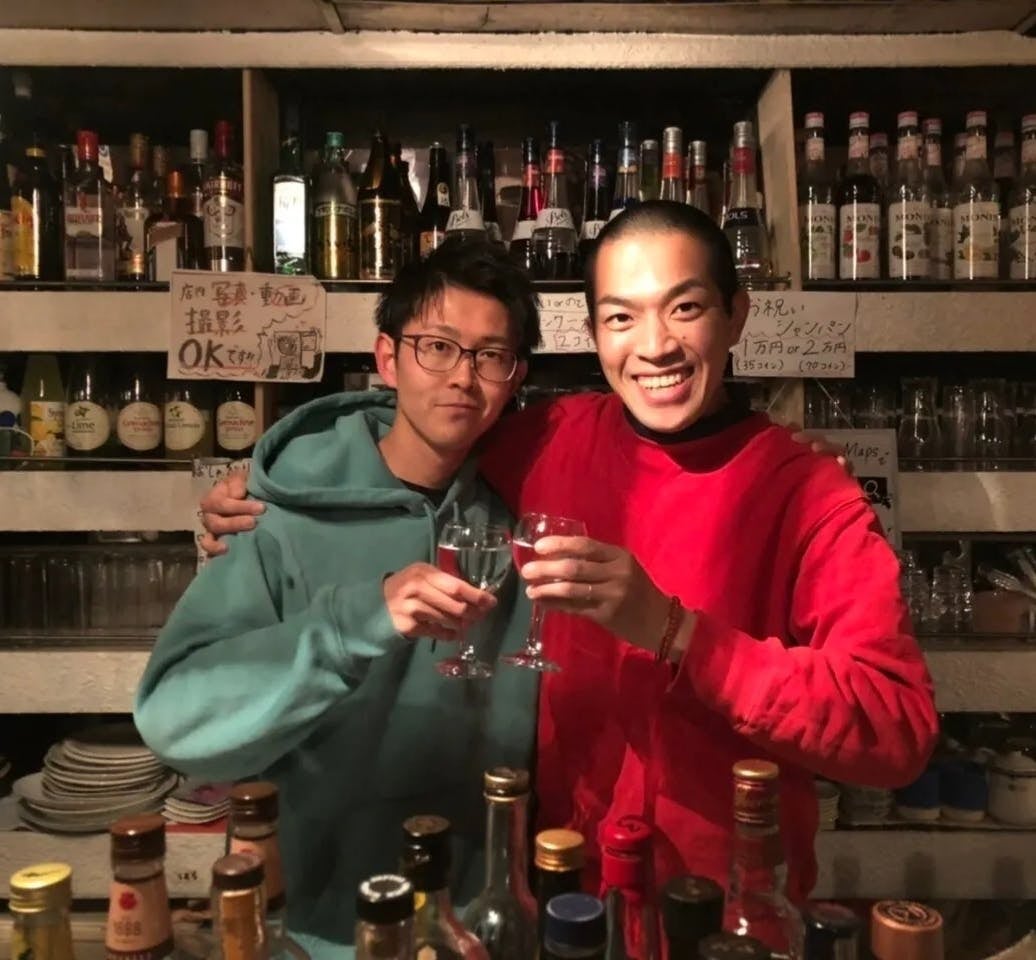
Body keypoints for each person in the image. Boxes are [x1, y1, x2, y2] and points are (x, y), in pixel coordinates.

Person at [200, 203, 937, 909]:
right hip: (558, 884)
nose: (655, 346)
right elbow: (419, 426)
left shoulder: (809, 494)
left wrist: (677, 632)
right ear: (593, 332)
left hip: (730, 904)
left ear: (735, 314)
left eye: (685, 308)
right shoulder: (550, 436)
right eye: (621, 317)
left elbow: (896, 731)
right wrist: (276, 484)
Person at [134, 241, 543, 960]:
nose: (463, 376)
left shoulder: (525, 509)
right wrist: (357, 620)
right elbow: (173, 718)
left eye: (491, 356)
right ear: (388, 358)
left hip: (477, 921)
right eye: (437, 347)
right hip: (318, 928)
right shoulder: (279, 515)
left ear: (516, 378)